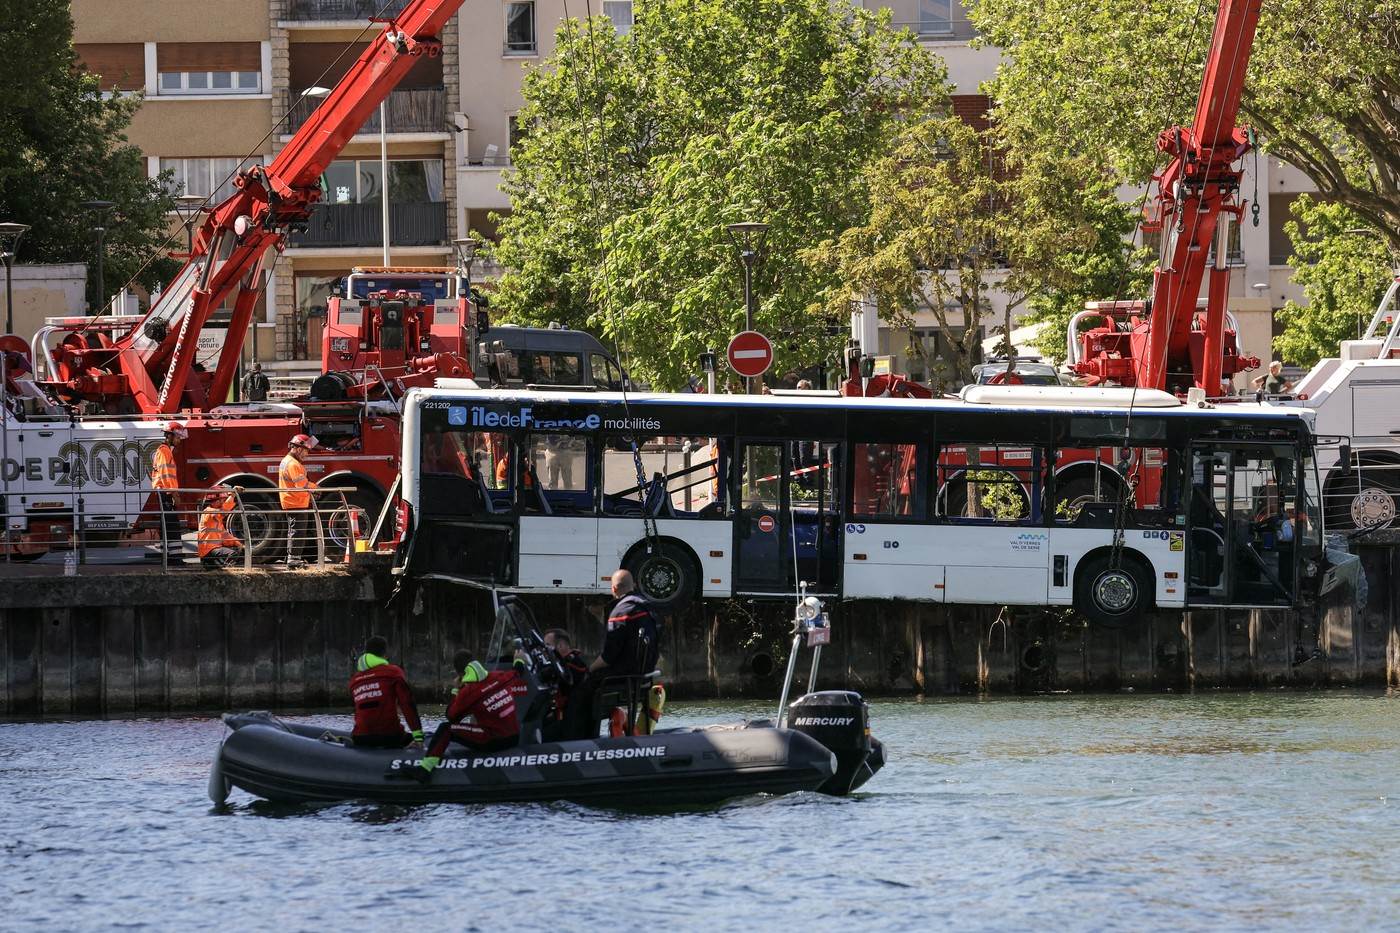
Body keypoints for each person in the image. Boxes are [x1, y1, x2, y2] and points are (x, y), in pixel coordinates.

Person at [565, 569, 661, 739]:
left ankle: (577, 739)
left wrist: (589, 671)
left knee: (579, 689)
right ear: (634, 585)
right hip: (645, 675)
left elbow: (608, 657)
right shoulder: (649, 607)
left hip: (624, 676)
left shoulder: (621, 611)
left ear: (614, 589)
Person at [398, 650, 521, 783]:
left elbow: (451, 717)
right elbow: (518, 671)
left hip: (494, 740)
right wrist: (519, 660)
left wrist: (457, 689)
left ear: (461, 674)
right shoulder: (501, 676)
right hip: (514, 737)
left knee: (445, 728)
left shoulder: (468, 692)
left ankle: (425, 770)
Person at [350, 635, 424, 749]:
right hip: (390, 737)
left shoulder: (355, 680)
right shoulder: (393, 672)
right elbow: (407, 703)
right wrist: (418, 736)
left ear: (365, 652)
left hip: (360, 737)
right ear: (385, 653)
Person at [542, 629, 589, 741]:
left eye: (548, 646)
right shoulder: (565, 664)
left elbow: (551, 674)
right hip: (568, 716)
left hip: (574, 722)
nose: (544, 650)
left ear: (561, 645)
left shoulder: (573, 663)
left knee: (539, 735)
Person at [278, 433, 318, 567]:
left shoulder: (287, 461)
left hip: (292, 500)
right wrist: (315, 488)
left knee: (294, 530)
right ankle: (293, 560)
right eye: (306, 451)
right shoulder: (293, 464)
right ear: (299, 448)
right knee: (297, 531)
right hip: (295, 501)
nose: (306, 455)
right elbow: (301, 484)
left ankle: (291, 557)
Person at [149, 421, 187, 557]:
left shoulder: (164, 451)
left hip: (164, 492)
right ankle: (174, 557)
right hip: (166, 493)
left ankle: (166, 555)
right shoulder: (164, 451)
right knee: (172, 526)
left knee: (167, 525)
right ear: (170, 436)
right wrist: (175, 495)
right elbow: (166, 476)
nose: (179, 441)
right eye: (178, 437)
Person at [197, 487, 243, 568]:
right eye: (223, 500)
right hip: (208, 550)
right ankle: (225, 569)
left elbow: (225, 535)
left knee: (239, 553)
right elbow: (223, 512)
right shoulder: (209, 512)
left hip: (212, 551)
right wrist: (232, 495)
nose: (223, 502)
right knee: (232, 554)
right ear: (217, 501)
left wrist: (239, 544)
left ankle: (215, 566)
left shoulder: (217, 520)